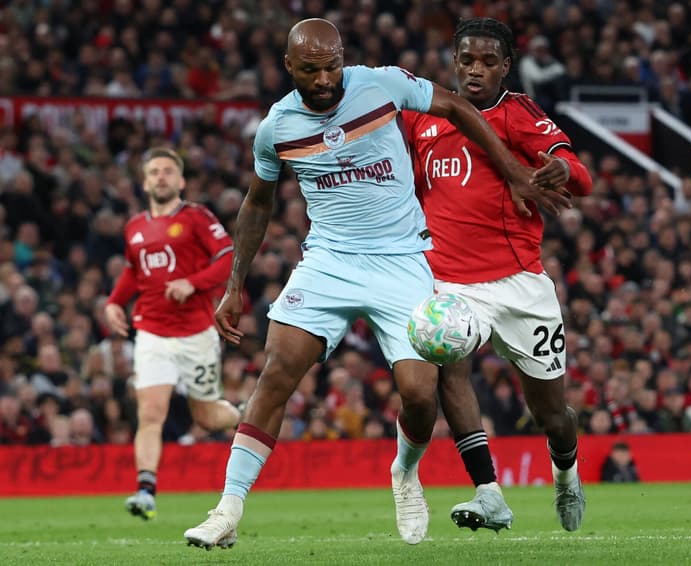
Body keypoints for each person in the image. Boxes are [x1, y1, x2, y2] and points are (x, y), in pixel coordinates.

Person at [183, 18, 570, 550]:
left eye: (332, 66)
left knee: (419, 394)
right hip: (329, 263)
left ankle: (405, 473)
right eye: (312, 70)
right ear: (289, 66)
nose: (324, 80)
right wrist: (234, 284)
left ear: (344, 57)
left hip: (402, 260)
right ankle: (227, 509)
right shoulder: (277, 127)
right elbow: (258, 202)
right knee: (276, 372)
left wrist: (508, 169)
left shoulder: (380, 84)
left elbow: (456, 107)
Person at [403, 18, 592, 533]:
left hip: (520, 286)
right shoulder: (424, 119)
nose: (475, 70)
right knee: (449, 369)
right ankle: (489, 494)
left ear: (506, 66)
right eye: (466, 60)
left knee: (552, 413)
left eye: (488, 61)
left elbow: (580, 173)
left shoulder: (518, 113)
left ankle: (566, 472)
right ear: (454, 62)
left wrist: (560, 169)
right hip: (452, 284)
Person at [104, 147, 240, 520]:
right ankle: (146, 490)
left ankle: (247, 415)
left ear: (181, 181)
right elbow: (134, 270)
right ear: (145, 181)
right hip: (152, 332)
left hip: (196, 333)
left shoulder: (196, 217)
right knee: (150, 412)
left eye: (167, 171)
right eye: (154, 172)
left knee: (208, 418)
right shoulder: (134, 227)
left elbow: (227, 255)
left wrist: (192, 284)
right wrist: (115, 302)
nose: (160, 177)